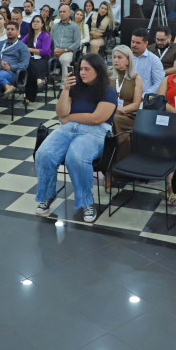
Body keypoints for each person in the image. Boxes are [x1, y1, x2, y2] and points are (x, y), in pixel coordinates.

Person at [35, 53, 117, 223]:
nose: (82, 73)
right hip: (68, 128)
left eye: (87, 69)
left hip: (96, 131)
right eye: (81, 69)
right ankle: (48, 195)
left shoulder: (108, 91)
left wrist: (71, 117)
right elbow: (61, 113)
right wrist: (65, 89)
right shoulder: (74, 87)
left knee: (76, 158)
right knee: (44, 154)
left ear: (98, 71)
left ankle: (86, 202)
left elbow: (97, 118)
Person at [0, 21, 30, 125]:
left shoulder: (22, 47)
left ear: (18, 31)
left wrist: (10, 67)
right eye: (8, 29)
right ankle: (6, 86)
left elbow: (25, 64)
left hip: (11, 73)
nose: (9, 31)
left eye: (12, 29)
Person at [110, 44, 144, 137]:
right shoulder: (109, 76)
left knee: (113, 118)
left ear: (128, 60)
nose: (116, 60)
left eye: (120, 57)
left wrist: (119, 110)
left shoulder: (136, 78)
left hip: (128, 116)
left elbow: (136, 104)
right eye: (114, 57)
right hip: (109, 112)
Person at [21, 15, 51, 104]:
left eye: (37, 21)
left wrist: (29, 49)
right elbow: (21, 44)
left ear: (42, 24)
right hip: (32, 58)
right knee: (29, 65)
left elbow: (44, 51)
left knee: (31, 66)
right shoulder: (29, 34)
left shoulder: (45, 35)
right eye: (33, 21)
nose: (35, 23)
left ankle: (28, 98)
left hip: (43, 59)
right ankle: (40, 79)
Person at [130, 29, 165, 96]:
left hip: (144, 99)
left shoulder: (154, 60)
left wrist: (143, 96)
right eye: (132, 42)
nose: (134, 45)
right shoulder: (126, 57)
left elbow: (159, 83)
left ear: (146, 43)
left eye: (138, 43)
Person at [51, 4, 82, 79]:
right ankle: (43, 81)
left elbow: (76, 43)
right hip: (54, 51)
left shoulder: (74, 27)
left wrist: (64, 50)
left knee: (65, 60)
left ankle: (65, 86)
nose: (62, 13)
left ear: (69, 13)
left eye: (64, 12)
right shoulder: (55, 26)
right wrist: (54, 49)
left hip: (68, 51)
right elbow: (50, 40)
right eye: (60, 12)